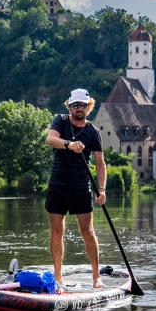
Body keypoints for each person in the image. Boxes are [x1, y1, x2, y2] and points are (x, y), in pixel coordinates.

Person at [45, 88, 107, 290]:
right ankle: (58, 277)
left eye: (83, 105)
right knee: (56, 231)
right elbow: (50, 139)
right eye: (75, 105)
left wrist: (102, 189)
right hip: (58, 183)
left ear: (89, 107)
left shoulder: (93, 131)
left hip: (81, 185)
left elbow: (100, 163)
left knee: (87, 231)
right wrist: (69, 144)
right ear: (69, 106)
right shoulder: (60, 121)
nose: (79, 108)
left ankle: (96, 277)